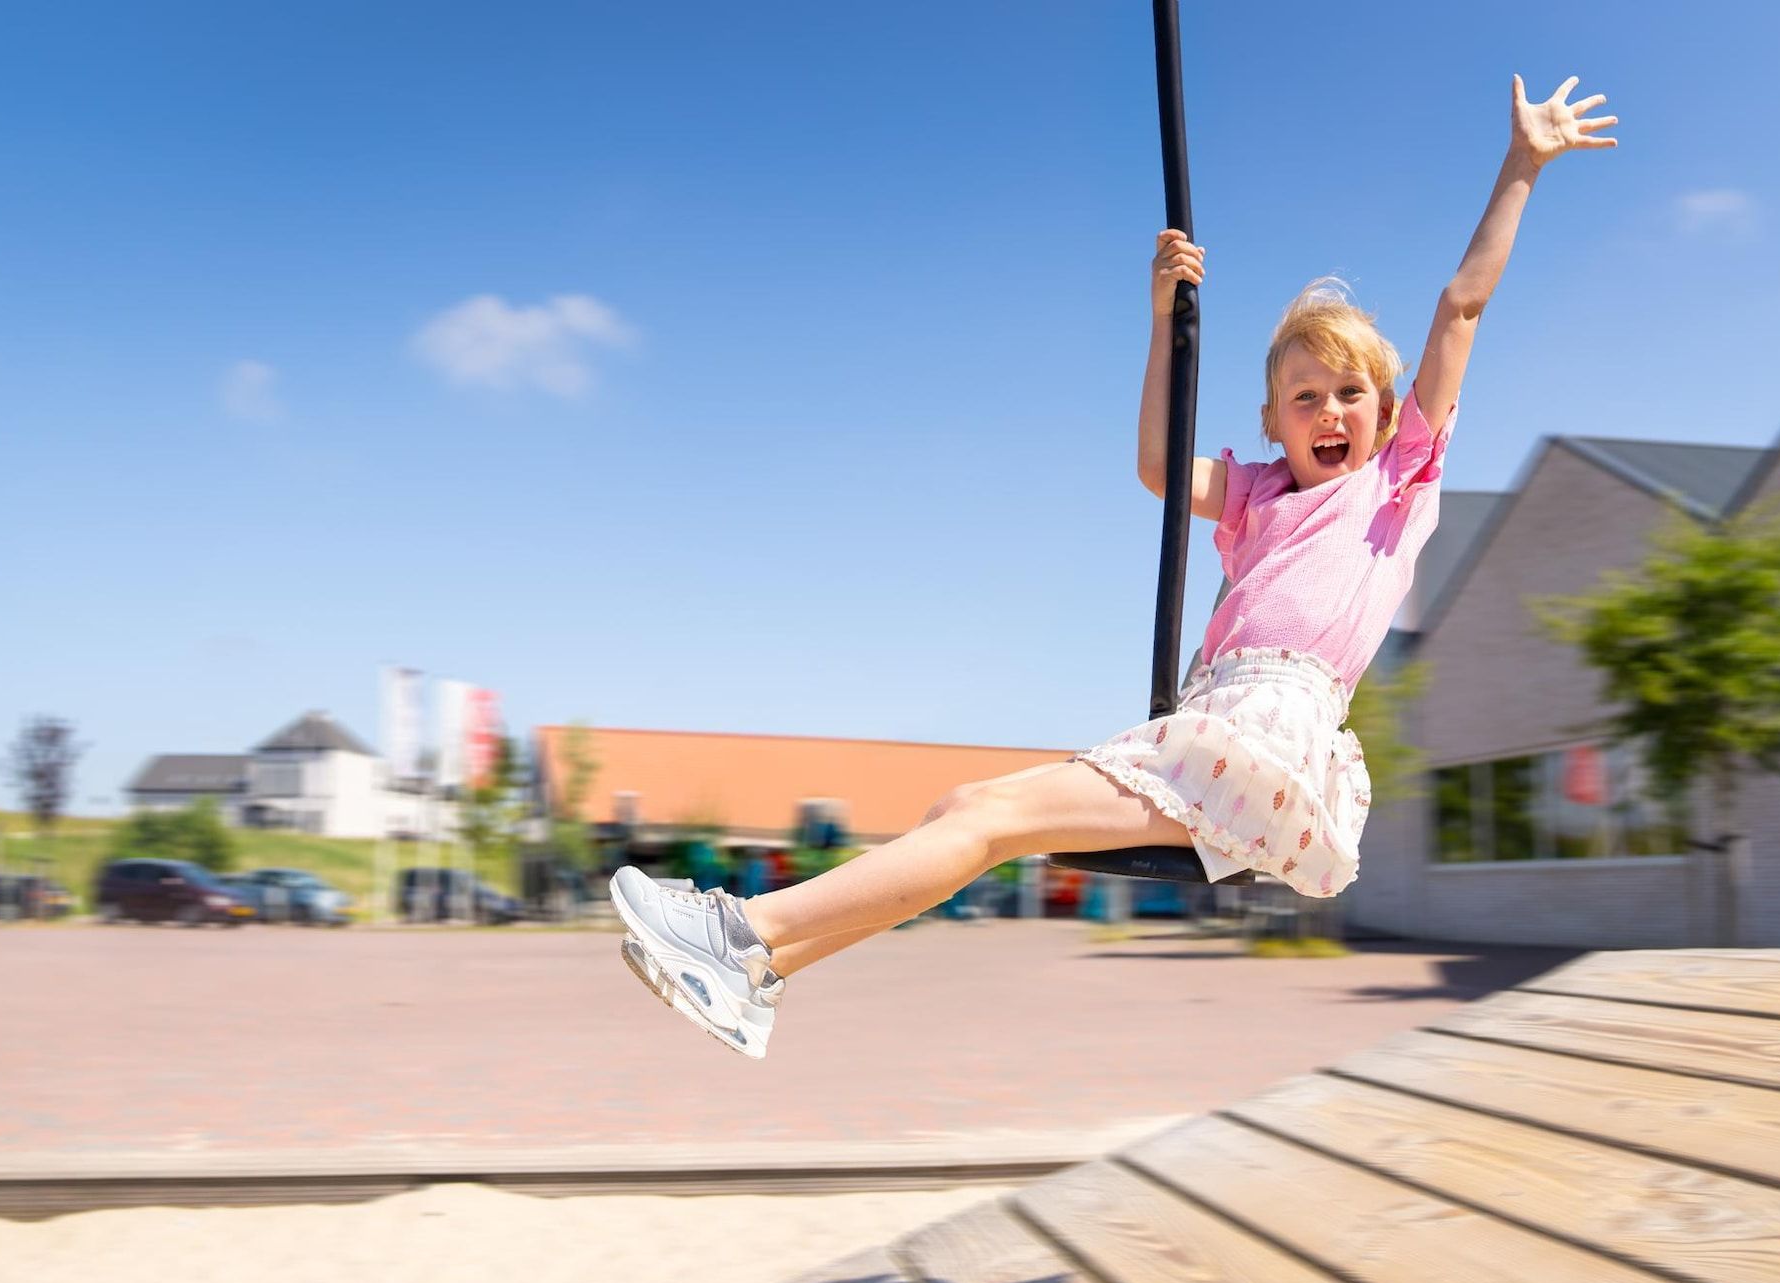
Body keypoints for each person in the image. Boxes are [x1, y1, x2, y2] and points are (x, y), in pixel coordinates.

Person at [614, 75, 1618, 1058]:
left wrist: (1520, 166)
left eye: (1349, 394)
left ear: (1388, 418)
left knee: (986, 813)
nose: (1326, 412)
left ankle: (737, 934)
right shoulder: (1257, 494)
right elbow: (1153, 465)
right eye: (1302, 397)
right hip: (1207, 724)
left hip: (1267, 737)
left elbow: (1458, 310)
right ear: (1269, 422)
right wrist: (1159, 318)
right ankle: (754, 974)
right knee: (963, 814)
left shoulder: (1392, 493)